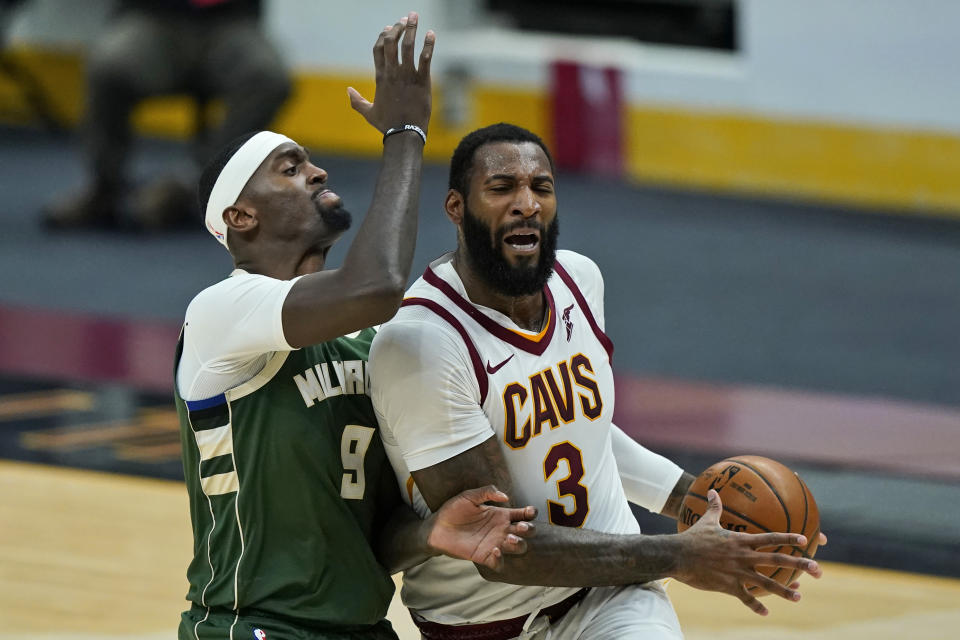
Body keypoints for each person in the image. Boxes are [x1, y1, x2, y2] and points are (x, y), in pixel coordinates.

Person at [368, 122, 824, 639]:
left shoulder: (579, 280)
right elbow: (502, 549)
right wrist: (679, 554)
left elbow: (585, 435)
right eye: (502, 188)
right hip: (483, 624)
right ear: (456, 206)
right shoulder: (423, 344)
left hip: (611, 593)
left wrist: (703, 506)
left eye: (541, 187)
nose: (527, 204)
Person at [174, 19, 536, 640]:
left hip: (365, 627)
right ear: (240, 216)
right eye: (289, 169)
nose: (315, 173)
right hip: (254, 626)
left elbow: (365, 531)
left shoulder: (374, 343)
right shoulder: (219, 313)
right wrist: (405, 133)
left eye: (310, 163)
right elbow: (375, 286)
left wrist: (428, 532)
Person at [44, 0, 291, 231]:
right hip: (154, 16)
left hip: (231, 21)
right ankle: (104, 188)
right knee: (109, 67)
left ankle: (200, 186)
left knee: (267, 77)